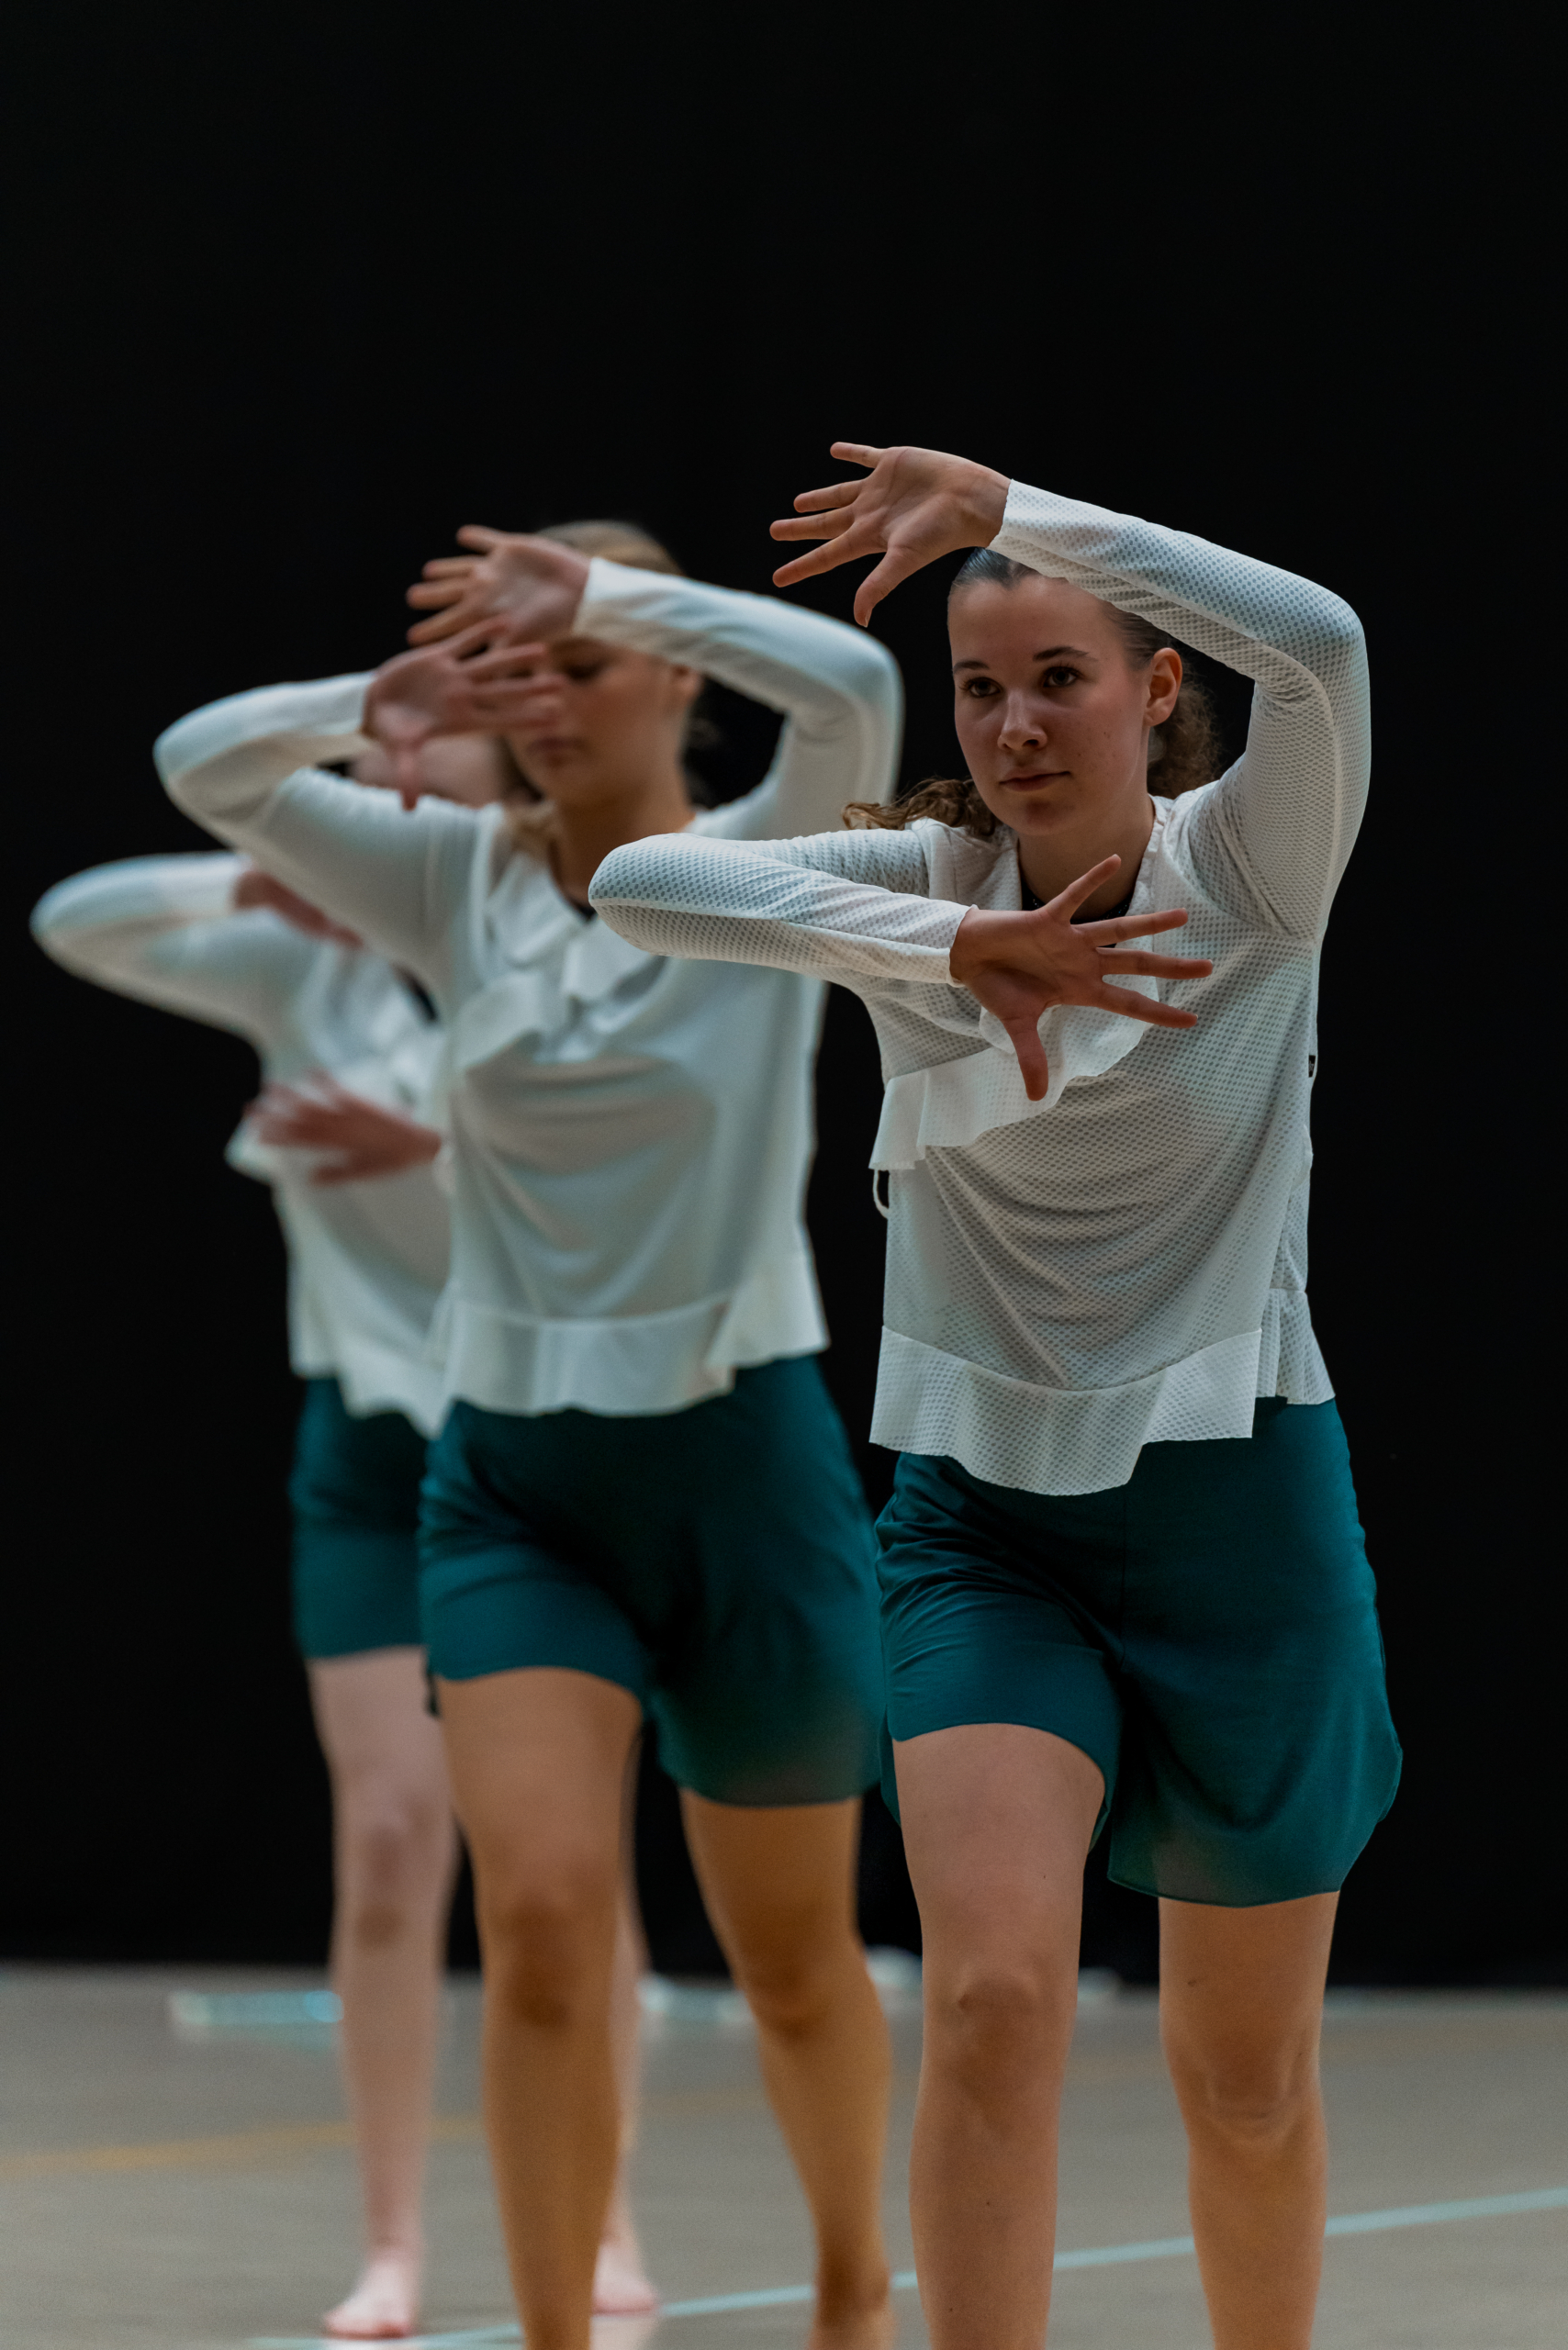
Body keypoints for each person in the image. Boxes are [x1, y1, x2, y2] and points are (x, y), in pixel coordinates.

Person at [588, 445, 1403, 2349]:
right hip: (980, 1527)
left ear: (1153, 691)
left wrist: (1014, 513)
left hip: (1241, 1516)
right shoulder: (925, 882)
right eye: (978, 685)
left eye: (1058, 675)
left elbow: (1327, 641)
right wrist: (951, 944)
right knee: (986, 2000)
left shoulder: (1249, 866)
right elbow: (635, 876)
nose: (1016, 722)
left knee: (1244, 2077)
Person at [153, 520, 905, 2350]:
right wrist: (380, 701)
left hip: (745, 1468)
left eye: (579, 666)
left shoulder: (769, 857)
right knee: (551, 1923)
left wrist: (612, 595)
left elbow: (864, 682)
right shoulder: (445, 881)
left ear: (673, 678)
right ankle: (557, 2328)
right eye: (521, 674)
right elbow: (198, 764)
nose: (545, 704)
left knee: (795, 1958)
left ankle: (843, 2282)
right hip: (516, 1488)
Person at [31, 724, 655, 2338]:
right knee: (388, 1847)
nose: (400, 811)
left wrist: (427, 1146)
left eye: (432, 785)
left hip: (535, 1441)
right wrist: (251, 873)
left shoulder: (546, 932)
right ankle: (392, 2243)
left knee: (564, 1865)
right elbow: (77, 920)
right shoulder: (297, 971)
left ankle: (606, 2208)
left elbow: (623, 1173)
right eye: (372, 797)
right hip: (367, 1458)